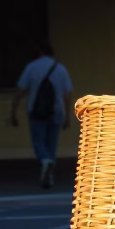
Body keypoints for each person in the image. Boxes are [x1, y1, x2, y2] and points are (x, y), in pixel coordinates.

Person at [11, 41, 73, 188]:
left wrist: (13, 112)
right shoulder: (61, 69)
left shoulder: (31, 67)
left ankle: (45, 161)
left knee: (38, 142)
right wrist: (68, 116)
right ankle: (49, 175)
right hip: (57, 111)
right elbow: (68, 94)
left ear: (39, 52)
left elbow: (20, 92)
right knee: (52, 144)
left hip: (36, 111)